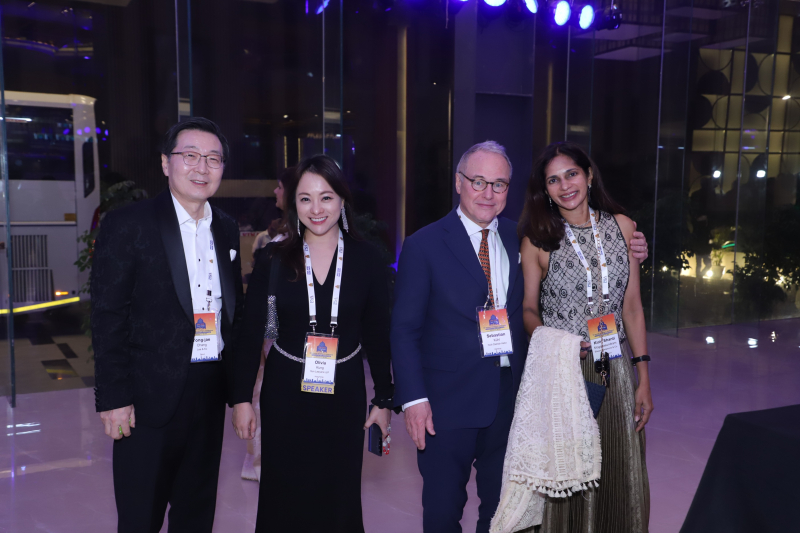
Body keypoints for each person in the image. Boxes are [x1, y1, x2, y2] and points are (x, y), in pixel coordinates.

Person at [391, 141, 650, 533]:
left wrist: (635, 250)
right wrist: (414, 399)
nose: (488, 193)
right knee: (442, 513)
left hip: (513, 398)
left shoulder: (524, 236)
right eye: (478, 182)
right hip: (447, 404)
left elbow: (585, 275)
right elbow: (404, 330)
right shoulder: (423, 244)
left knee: (506, 514)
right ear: (459, 183)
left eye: (499, 184)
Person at [92, 117, 243, 532]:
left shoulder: (226, 228)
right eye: (190, 155)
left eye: (213, 159)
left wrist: (239, 393)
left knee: (196, 513)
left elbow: (233, 311)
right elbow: (107, 315)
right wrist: (113, 397)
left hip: (208, 390)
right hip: (147, 397)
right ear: (165, 163)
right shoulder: (128, 224)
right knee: (140, 516)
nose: (202, 167)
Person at [230, 154, 396, 532]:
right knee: (284, 497)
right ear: (293, 203)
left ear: (342, 199)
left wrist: (384, 400)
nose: (316, 209)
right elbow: (251, 332)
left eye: (326, 197)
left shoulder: (367, 259)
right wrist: (241, 400)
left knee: (338, 496)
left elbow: (377, 333)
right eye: (305, 198)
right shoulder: (273, 258)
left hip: (344, 392)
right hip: (285, 392)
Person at [518, 141, 652, 533]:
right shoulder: (538, 239)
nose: (565, 186)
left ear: (589, 175)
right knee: (569, 473)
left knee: (619, 467)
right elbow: (528, 309)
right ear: (545, 190)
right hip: (565, 370)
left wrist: (644, 376)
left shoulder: (623, 227)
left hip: (615, 367)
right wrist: (553, 341)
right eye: (553, 180)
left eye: (572, 174)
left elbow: (632, 307)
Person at [242, 167, 292, 482]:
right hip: (274, 337)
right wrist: (267, 338)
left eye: (280, 186)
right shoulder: (272, 239)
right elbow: (266, 301)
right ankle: (263, 464)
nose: (275, 192)